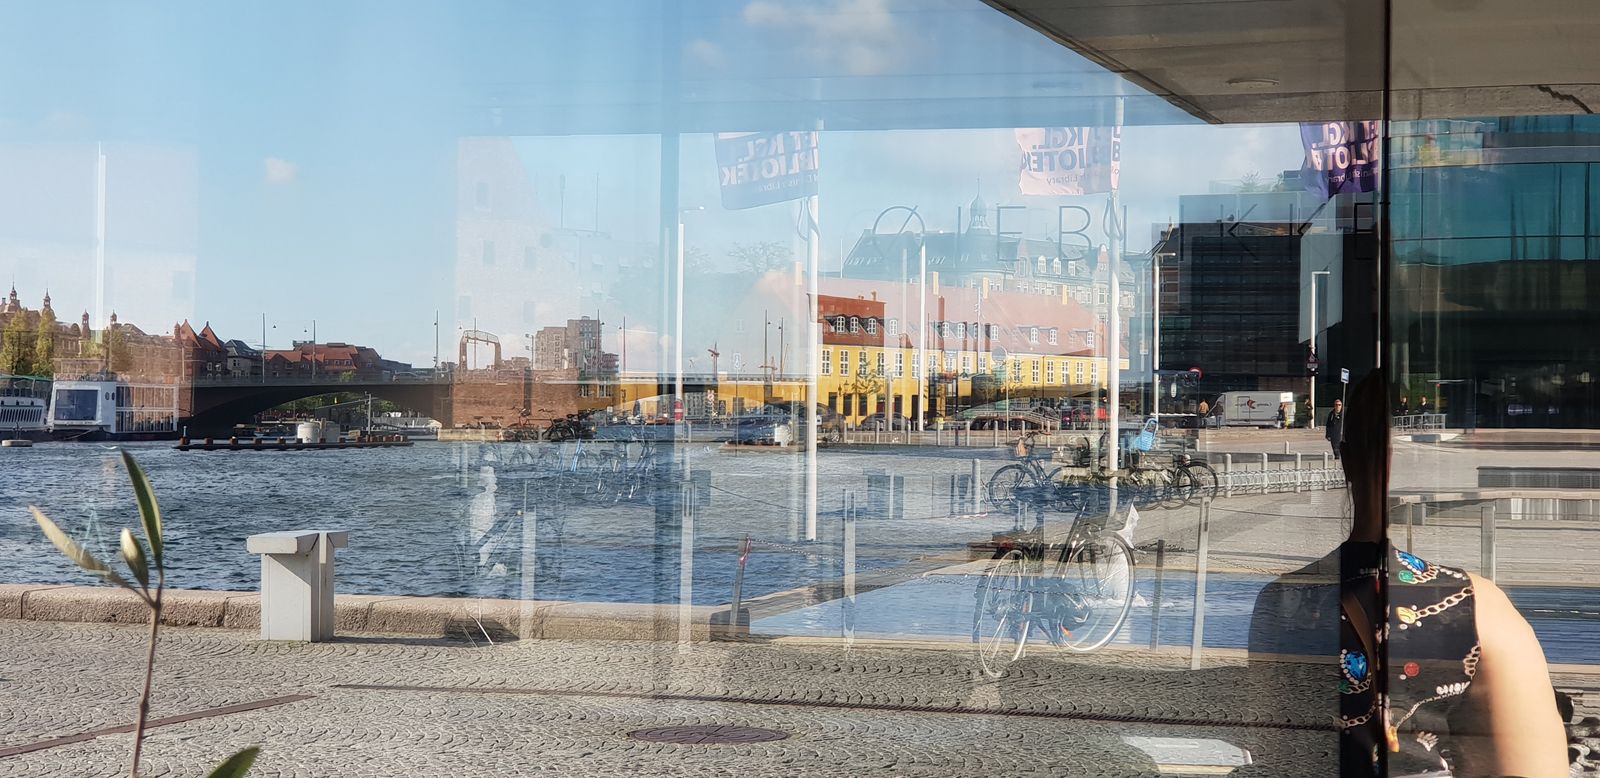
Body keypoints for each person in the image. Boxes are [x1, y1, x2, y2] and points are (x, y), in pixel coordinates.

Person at [1248, 372, 1567, 776]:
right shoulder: (1478, 604)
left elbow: (1273, 750)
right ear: (1406, 461)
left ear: (1345, 459)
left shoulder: (1280, 600)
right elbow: (1533, 765)